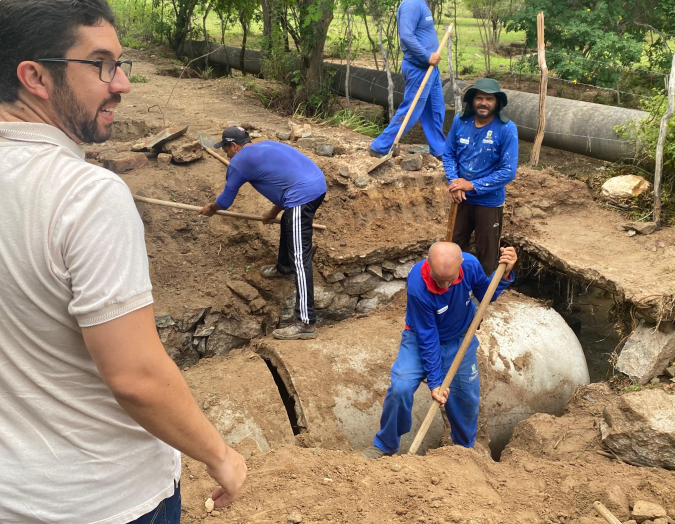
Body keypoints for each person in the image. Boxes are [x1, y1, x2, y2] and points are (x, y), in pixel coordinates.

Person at [0, 0, 246, 524]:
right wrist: (219, 455)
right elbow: (135, 376)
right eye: (102, 65)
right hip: (107, 498)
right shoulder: (87, 195)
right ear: (35, 75)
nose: (123, 84)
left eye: (121, 63)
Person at [363, 242, 516, 458]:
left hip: (459, 341)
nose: (444, 286)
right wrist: (435, 382)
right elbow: (428, 336)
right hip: (418, 339)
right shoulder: (418, 283)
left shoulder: (470, 265)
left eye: (450, 280)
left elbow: (486, 296)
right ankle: (385, 444)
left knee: (466, 399)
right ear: (429, 265)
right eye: (439, 280)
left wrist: (505, 274)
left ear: (461, 264)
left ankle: (463, 451)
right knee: (401, 388)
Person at [199, 128, 327, 340]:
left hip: (302, 195)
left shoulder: (239, 161)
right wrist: (272, 212)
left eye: (225, 149)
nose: (226, 154)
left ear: (234, 146)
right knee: (288, 220)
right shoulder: (266, 146)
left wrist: (211, 209)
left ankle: (306, 322)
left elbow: (225, 201)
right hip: (315, 185)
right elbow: (285, 181)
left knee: (300, 258)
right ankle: (284, 268)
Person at [369, 0, 450, 160]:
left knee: (435, 110)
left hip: (431, 69)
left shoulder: (421, 3)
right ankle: (380, 146)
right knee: (411, 110)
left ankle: (440, 150)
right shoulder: (411, 4)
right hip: (419, 68)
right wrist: (426, 56)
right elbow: (406, 36)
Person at [442, 78, 519, 275]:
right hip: (461, 198)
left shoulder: (506, 129)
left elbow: (508, 172)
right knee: (455, 246)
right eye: (479, 98)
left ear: (497, 103)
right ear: (472, 101)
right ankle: (455, 287)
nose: (483, 103)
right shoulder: (460, 121)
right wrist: (455, 183)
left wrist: (471, 185)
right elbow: (449, 153)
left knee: (487, 251)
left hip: (489, 201)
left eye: (489, 99)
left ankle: (484, 295)